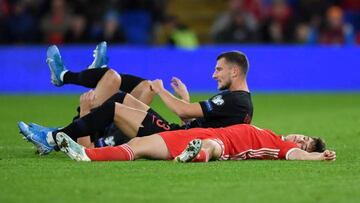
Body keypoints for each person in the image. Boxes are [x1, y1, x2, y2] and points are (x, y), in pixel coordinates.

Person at [19, 47, 253, 155]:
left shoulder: (236, 101)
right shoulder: (237, 101)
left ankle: (53, 137)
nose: (214, 74)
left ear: (234, 72)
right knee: (125, 92)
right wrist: (184, 98)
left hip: (171, 138)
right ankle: (72, 79)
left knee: (114, 105)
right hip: (180, 135)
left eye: (219, 69)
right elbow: (192, 120)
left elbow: (182, 112)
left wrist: (163, 91)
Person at [52, 124, 336, 162]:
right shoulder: (272, 133)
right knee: (138, 143)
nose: (301, 140)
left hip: (223, 144)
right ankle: (87, 154)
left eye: (306, 143)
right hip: (199, 132)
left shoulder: (283, 148)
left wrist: (318, 157)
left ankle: (196, 156)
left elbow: (297, 156)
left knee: (211, 146)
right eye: (304, 136)